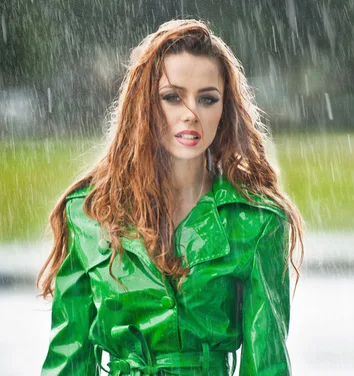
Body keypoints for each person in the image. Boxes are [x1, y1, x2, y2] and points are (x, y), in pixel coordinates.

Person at [37, 19, 304, 376]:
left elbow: (267, 366)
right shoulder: (89, 214)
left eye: (207, 98)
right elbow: (68, 360)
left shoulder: (257, 221)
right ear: (144, 105)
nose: (191, 114)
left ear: (224, 111)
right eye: (172, 97)